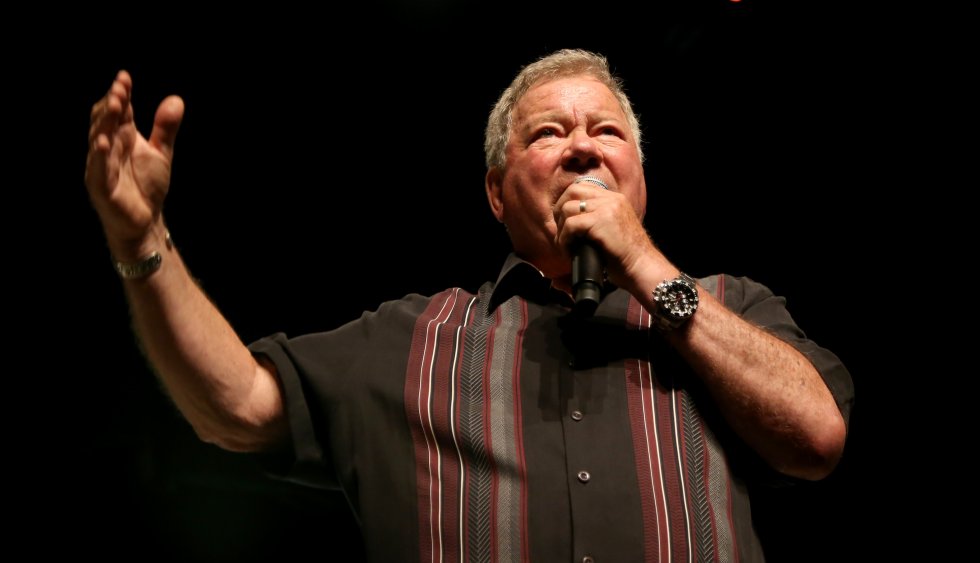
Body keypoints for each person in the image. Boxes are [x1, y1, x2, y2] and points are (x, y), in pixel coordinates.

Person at [85, 49, 852, 562]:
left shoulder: (730, 307)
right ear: (495, 191)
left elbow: (816, 436)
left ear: (640, 179)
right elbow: (234, 405)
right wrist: (145, 243)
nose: (583, 149)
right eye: (549, 133)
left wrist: (645, 266)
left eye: (607, 132)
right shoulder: (410, 338)